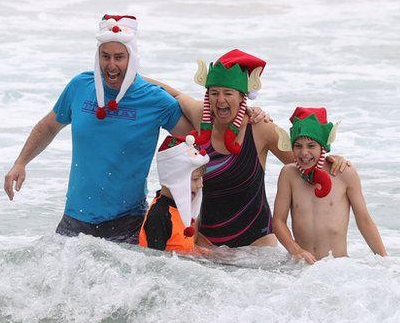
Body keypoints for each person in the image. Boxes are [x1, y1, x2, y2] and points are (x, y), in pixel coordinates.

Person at [3, 15, 194, 244]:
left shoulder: (154, 100)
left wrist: (242, 115)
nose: (111, 65)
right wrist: (21, 162)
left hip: (126, 224)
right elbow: (49, 126)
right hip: (73, 221)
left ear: (132, 59)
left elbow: (196, 137)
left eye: (119, 57)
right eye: (105, 56)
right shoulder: (80, 86)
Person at [148, 50, 348, 249]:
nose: (220, 100)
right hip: (209, 245)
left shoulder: (261, 128)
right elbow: (174, 94)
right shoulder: (202, 117)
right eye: (214, 93)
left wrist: (331, 159)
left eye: (228, 93)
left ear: (243, 97)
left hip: (257, 246)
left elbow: (302, 161)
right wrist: (131, 75)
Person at [272, 107, 387, 262]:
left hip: (335, 265)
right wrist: (296, 250)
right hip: (300, 265)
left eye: (311, 146)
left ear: (323, 147)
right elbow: (278, 221)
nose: (304, 153)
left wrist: (385, 261)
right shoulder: (289, 174)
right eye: (298, 146)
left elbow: (364, 220)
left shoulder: (343, 172)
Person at [139, 134, 209, 253]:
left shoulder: (183, 208)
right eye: (195, 179)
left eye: (201, 178)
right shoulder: (159, 216)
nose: (200, 185)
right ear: (174, 178)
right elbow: (154, 264)